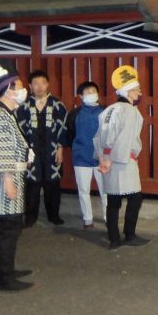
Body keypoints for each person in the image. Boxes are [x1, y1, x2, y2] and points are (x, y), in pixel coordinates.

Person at [0, 59, 34, 291]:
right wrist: (8, 181)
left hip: (3, 180)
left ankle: (7, 270)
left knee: (8, 229)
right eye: (19, 86)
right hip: (3, 182)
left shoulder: (3, 113)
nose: (23, 89)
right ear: (9, 90)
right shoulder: (0, 117)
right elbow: (3, 152)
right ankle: (6, 278)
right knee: (8, 230)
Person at [94, 65, 150, 251]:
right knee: (135, 198)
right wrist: (114, 158)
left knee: (113, 200)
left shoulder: (108, 110)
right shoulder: (130, 111)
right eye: (137, 89)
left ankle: (114, 239)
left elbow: (99, 136)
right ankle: (129, 234)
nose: (139, 92)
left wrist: (103, 158)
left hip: (107, 159)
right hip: (123, 159)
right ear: (130, 91)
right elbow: (125, 138)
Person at [17, 69, 68, 227]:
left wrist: (60, 149)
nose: (39, 87)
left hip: (52, 152)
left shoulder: (58, 105)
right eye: (36, 83)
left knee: (53, 185)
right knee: (31, 186)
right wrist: (24, 153)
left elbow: (63, 128)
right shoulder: (23, 107)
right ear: (30, 86)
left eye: (43, 83)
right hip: (31, 152)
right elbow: (19, 131)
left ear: (48, 84)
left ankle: (54, 216)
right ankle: (30, 217)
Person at [67, 81, 107, 229]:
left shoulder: (106, 111)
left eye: (93, 91)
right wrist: (77, 147)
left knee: (105, 190)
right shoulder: (74, 114)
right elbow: (70, 133)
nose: (91, 94)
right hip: (81, 157)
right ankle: (87, 218)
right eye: (87, 92)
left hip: (102, 157)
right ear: (80, 96)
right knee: (83, 190)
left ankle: (108, 217)